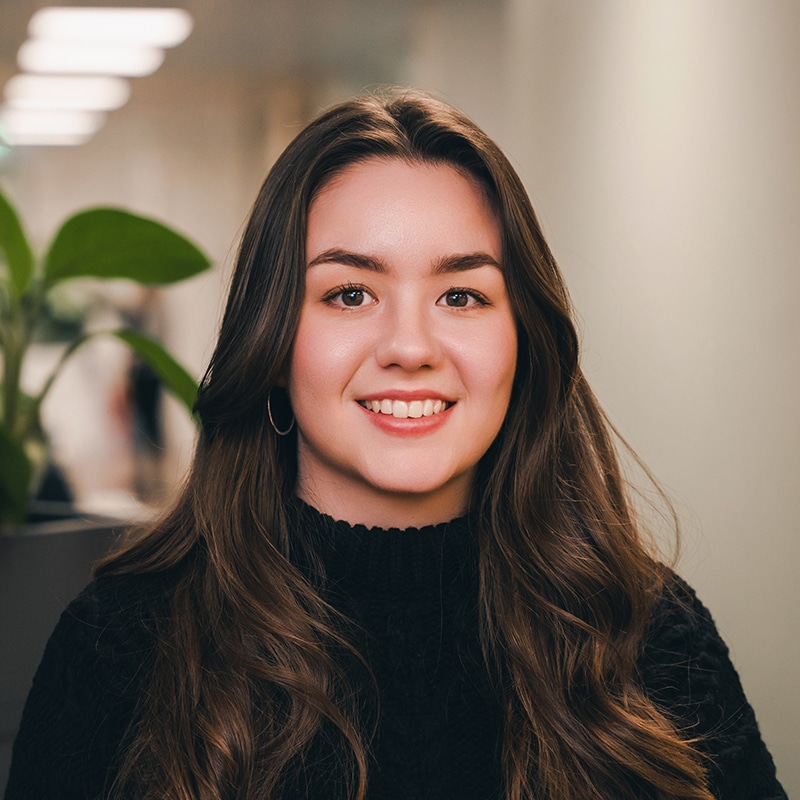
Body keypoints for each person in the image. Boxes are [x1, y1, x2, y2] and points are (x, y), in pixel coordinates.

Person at [5, 89, 786, 800]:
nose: (410, 345)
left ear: (524, 344)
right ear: (272, 343)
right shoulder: (124, 644)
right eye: (350, 293)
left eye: (462, 294)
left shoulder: (647, 635)